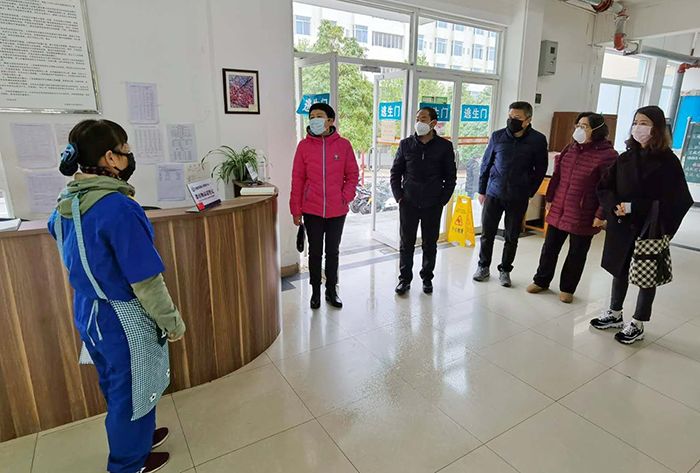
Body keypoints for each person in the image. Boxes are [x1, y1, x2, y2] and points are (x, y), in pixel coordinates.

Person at [48, 120, 186, 473]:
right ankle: (127, 463)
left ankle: (138, 439)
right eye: (125, 150)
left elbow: (64, 240)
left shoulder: (67, 203)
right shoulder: (119, 208)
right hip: (122, 316)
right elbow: (146, 281)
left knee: (118, 382)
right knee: (130, 389)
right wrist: (172, 322)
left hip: (89, 309)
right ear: (110, 158)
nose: (128, 156)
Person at [590, 106, 692, 344]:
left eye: (644, 122)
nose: (638, 127)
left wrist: (635, 207)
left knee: (646, 275)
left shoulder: (668, 161)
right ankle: (615, 312)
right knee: (619, 269)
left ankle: (638, 322)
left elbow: (678, 200)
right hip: (621, 224)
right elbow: (604, 186)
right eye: (636, 122)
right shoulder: (625, 157)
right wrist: (614, 205)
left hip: (649, 227)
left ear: (657, 127)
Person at [527, 112, 618, 303]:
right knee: (549, 248)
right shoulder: (570, 148)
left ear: (597, 130)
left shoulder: (608, 156)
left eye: (584, 126)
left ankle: (567, 288)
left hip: (585, 211)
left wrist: (601, 214)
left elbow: (609, 188)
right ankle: (541, 280)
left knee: (577, 253)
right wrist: (550, 198)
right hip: (560, 207)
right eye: (578, 126)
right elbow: (557, 176)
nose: (579, 130)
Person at [290, 103, 359, 309]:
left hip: (337, 210)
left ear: (330, 120)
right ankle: (315, 292)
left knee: (332, 252)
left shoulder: (343, 145)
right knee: (315, 253)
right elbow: (297, 179)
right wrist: (296, 209)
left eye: (319, 116)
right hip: (312, 209)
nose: (314, 120)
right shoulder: (304, 146)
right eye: (312, 116)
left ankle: (331, 290)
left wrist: (345, 197)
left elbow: (352, 175)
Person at [473, 101, 549, 287]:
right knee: (487, 234)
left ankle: (505, 269)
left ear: (528, 120)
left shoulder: (537, 140)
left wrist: (529, 191)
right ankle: (483, 266)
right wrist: (482, 190)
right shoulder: (498, 136)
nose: (512, 120)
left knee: (511, 236)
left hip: (518, 196)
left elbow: (540, 169)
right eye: (510, 116)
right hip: (494, 192)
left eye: (517, 117)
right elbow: (486, 164)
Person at [390, 107, 457, 295]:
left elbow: (450, 177)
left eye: (423, 119)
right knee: (406, 243)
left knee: (430, 243)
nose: (419, 122)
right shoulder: (406, 144)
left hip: (433, 204)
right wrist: (399, 197)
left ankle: (427, 277)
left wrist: (442, 199)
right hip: (408, 203)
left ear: (433, 123)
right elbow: (395, 173)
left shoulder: (444, 146)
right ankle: (404, 280)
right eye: (417, 118)